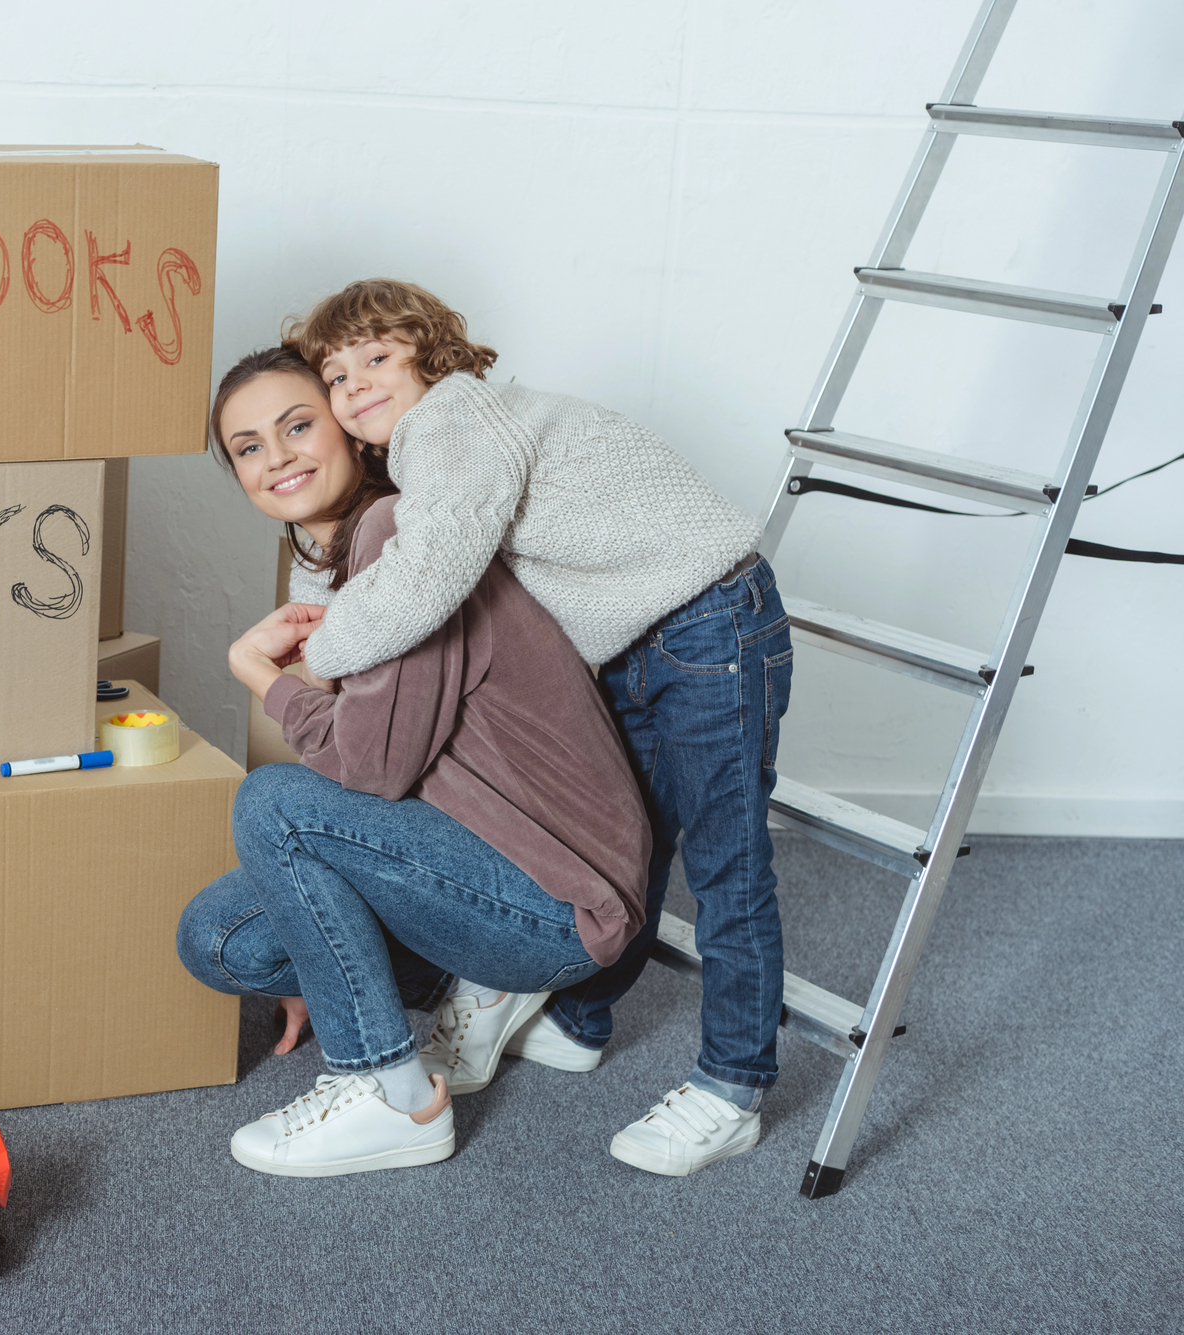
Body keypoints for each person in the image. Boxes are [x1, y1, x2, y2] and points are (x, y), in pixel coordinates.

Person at [282, 279, 792, 1177]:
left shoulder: (454, 419)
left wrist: (318, 658)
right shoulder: (434, 448)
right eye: (335, 372)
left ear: (430, 357)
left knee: (727, 862)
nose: (355, 382)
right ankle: (583, 1016)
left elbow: (429, 569)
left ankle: (732, 1085)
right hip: (643, 641)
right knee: (631, 841)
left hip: (709, 622)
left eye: (377, 357)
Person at [175, 347, 651, 1177]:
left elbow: (374, 768)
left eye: (297, 425)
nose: (277, 456)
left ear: (352, 430)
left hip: (556, 892)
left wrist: (259, 675)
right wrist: (312, 937)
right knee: (219, 939)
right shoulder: (336, 566)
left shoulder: (403, 536)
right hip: (466, 850)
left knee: (272, 800)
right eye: (249, 446)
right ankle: (477, 986)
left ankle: (392, 1096)